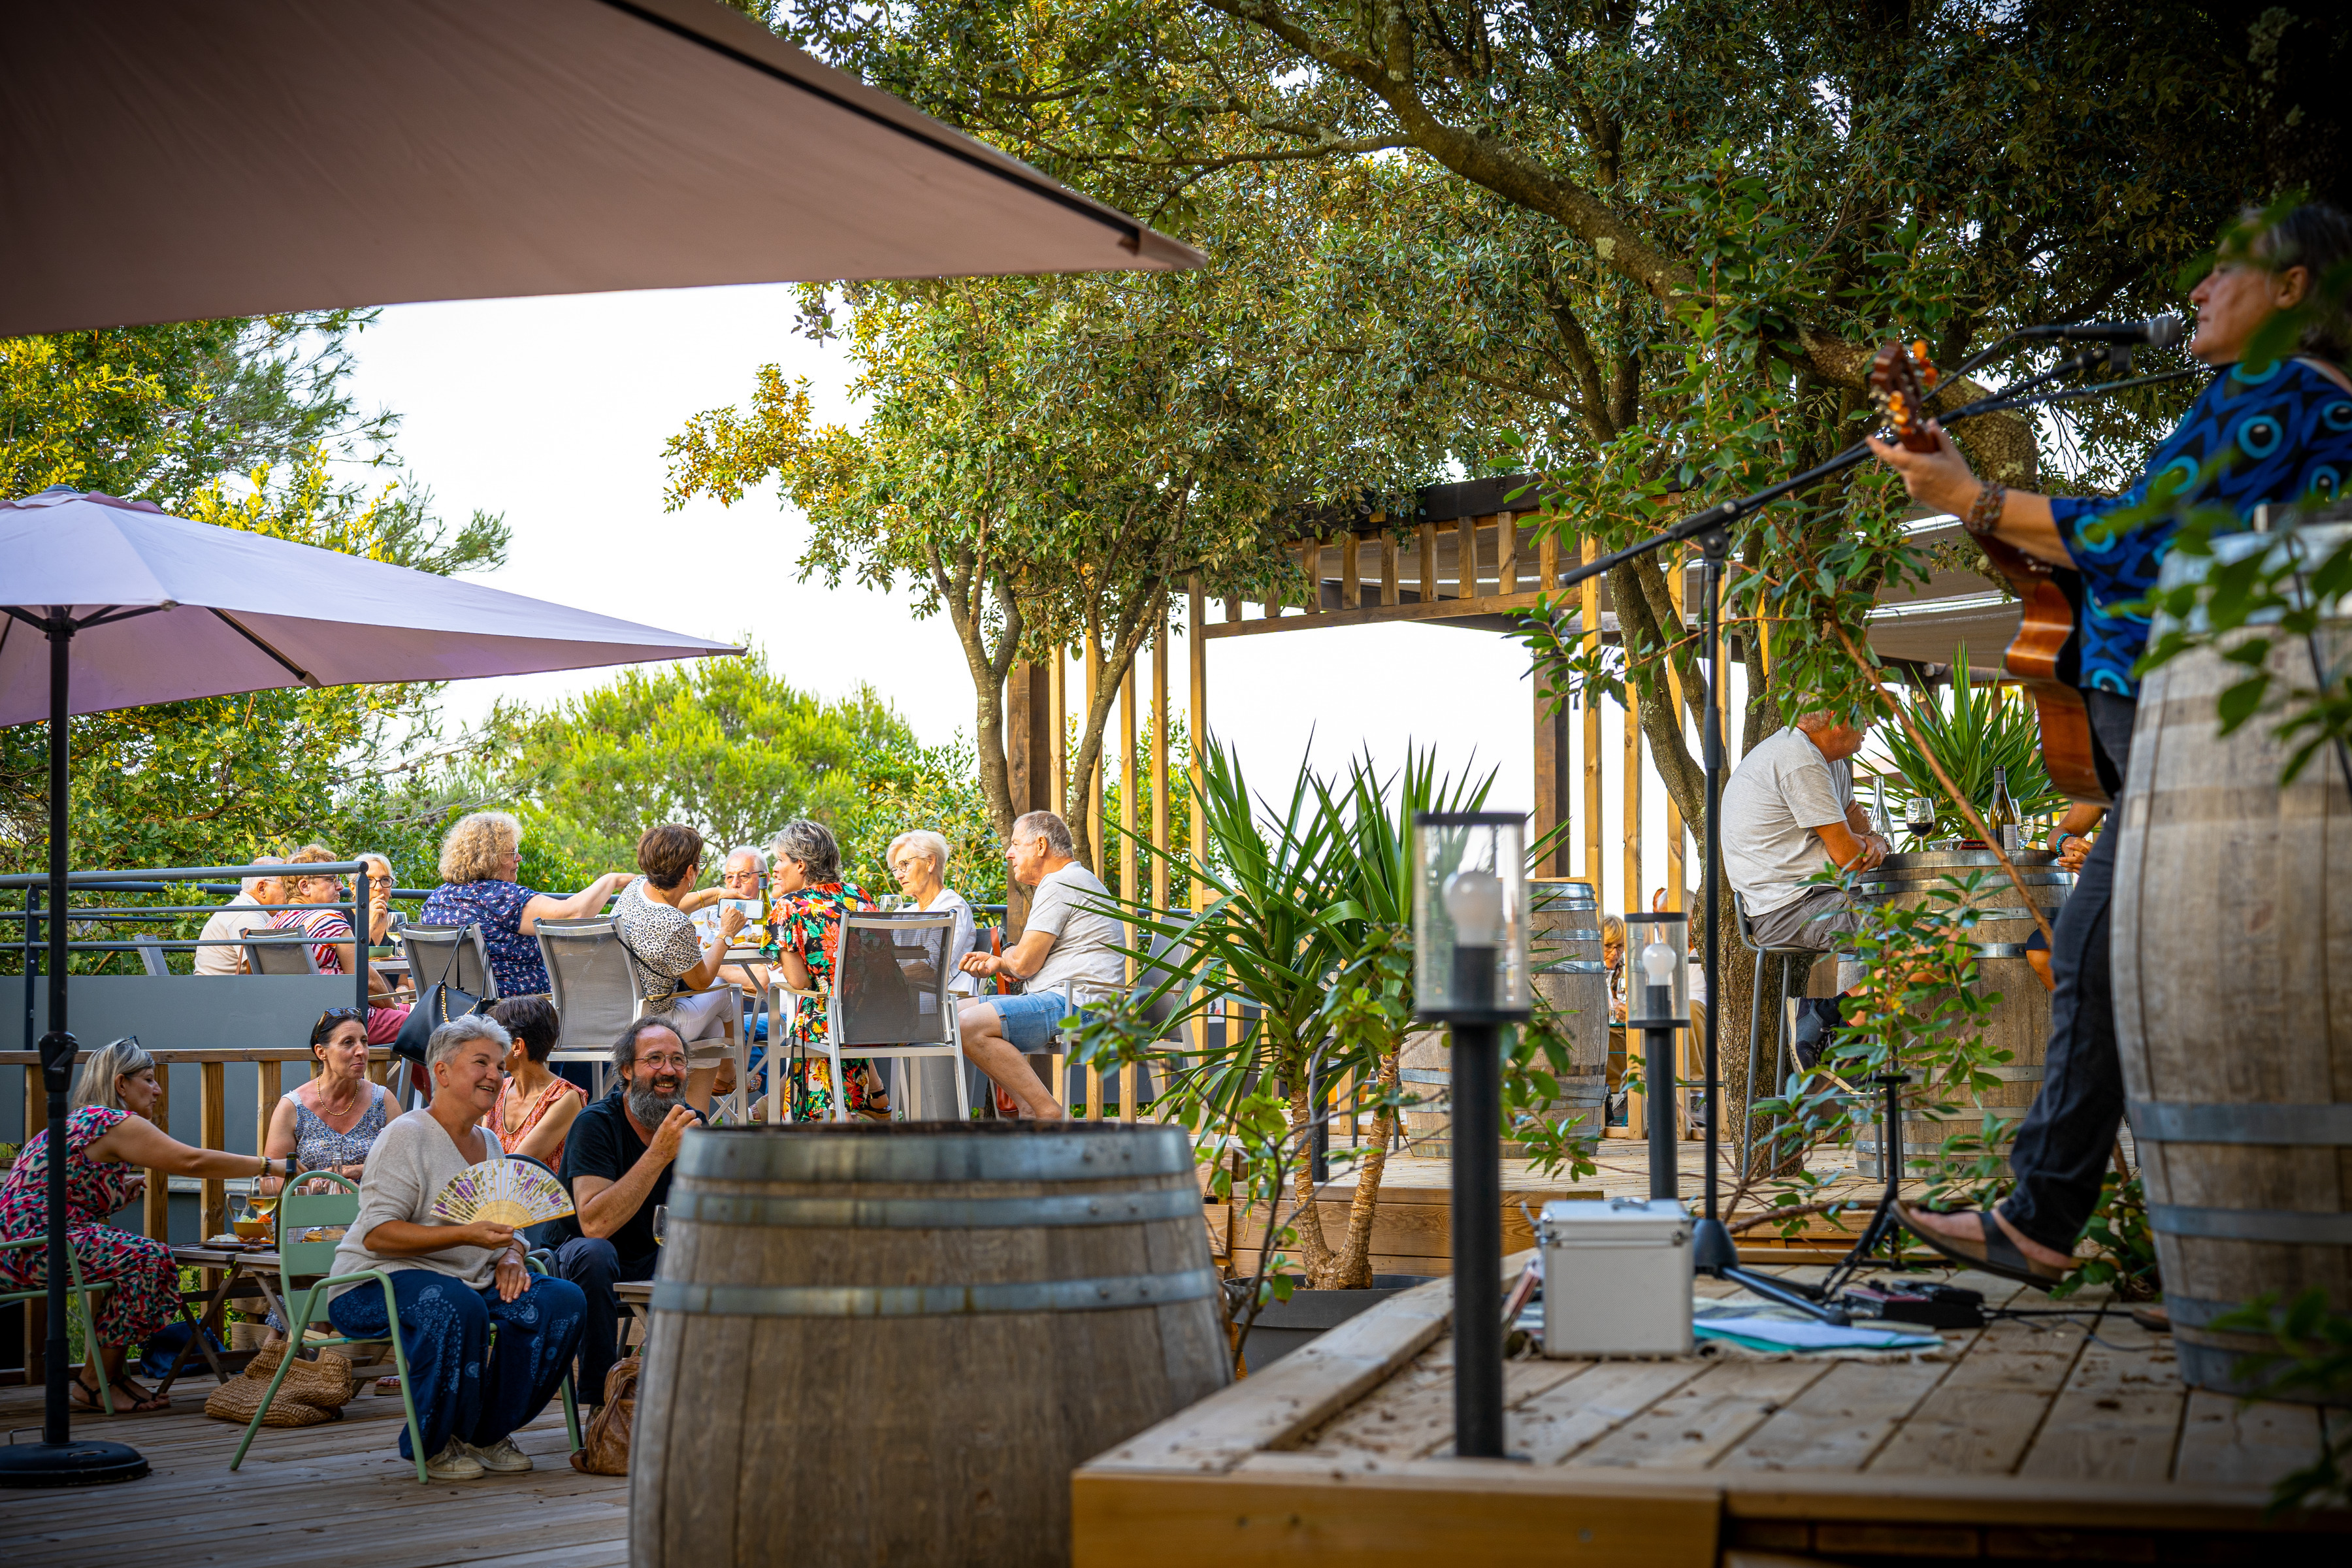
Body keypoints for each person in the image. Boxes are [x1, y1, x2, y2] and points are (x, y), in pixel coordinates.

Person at [1870, 201, 2352, 1288]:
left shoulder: (2282, 392)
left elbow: (2145, 537)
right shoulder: (2254, 396)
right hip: (2207, 730)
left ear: (2294, 291)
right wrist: (1971, 493)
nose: (2196, 291)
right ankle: (2060, 1220)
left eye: (2226, 270)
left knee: (2096, 960)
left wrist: (1976, 495)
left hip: (2215, 737)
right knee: (2097, 958)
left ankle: (2058, 1223)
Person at [324, 1015, 587, 1481]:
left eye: (500, 1066)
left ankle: (484, 1432)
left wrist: (510, 1255)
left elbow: (510, 1225)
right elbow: (378, 1234)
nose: (495, 1074)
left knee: (559, 1301)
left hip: (470, 1280)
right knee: (457, 1306)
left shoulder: (488, 1142)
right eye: (481, 1063)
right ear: (442, 1072)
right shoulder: (408, 1134)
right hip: (375, 1282)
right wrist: (466, 1235)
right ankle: (433, 1442)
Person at [0, 1036, 308, 1414]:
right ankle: (94, 1381)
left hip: (22, 1243)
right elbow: (191, 1162)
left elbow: (66, 1195)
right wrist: (270, 1165)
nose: (158, 1089)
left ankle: (111, 1377)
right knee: (148, 1259)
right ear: (121, 1084)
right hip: (34, 1247)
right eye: (148, 1079)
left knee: (145, 1257)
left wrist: (115, 1193)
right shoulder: (113, 1121)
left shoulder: (81, 1122)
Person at [551, 1017, 701, 1413]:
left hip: (656, 1255)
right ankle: (605, 1404)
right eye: (654, 1059)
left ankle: (686, 1391)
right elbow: (594, 1225)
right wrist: (660, 1154)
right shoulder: (595, 1124)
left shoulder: (691, 1125)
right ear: (627, 1070)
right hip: (580, 1259)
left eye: (678, 1060)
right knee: (595, 1254)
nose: (669, 1070)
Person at [955, 810, 1127, 1120]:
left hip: (1082, 1006)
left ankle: (1048, 1112)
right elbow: (1023, 960)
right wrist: (1001, 961)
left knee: (967, 1025)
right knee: (956, 1015)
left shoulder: (1061, 883)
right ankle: (1030, 1110)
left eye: (1016, 844)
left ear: (1041, 845)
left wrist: (1001, 962)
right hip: (1074, 1000)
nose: (1009, 854)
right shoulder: (1075, 880)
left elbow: (1024, 963)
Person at [419, 811, 634, 1001]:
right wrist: (612, 880)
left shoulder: (437, 899)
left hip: (453, 1013)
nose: (518, 858)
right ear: (490, 859)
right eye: (511, 853)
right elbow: (573, 914)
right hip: (514, 1016)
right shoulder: (501, 897)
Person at [612, 823, 746, 1113]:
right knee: (725, 992)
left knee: (712, 1028)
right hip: (653, 1022)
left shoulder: (636, 889)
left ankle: (695, 1116)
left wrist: (714, 895)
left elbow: (665, 910)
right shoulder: (675, 926)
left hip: (615, 1013)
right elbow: (702, 981)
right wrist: (727, 933)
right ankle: (731, 1074)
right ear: (689, 872)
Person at [762, 819, 885, 1120]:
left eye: (780, 860)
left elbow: (798, 981)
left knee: (811, 1012)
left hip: (832, 1022)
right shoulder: (858, 894)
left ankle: (809, 1120)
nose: (774, 869)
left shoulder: (790, 906)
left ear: (801, 864)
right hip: (881, 1018)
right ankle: (867, 1103)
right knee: (827, 1011)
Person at [271, 845, 412, 1043]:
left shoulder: (275, 922)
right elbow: (369, 981)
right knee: (426, 1026)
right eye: (331, 880)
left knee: (417, 1013)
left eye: (338, 880)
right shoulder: (328, 919)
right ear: (305, 887)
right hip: (347, 1019)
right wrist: (393, 1009)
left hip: (299, 1019)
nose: (340, 887)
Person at [260, 1008, 397, 1194]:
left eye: (364, 1041)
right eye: (348, 1043)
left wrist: (358, 1170)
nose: (361, 1051)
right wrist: (318, 1185)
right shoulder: (293, 1107)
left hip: (369, 1214)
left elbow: (409, 1166)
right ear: (321, 1052)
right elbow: (270, 1183)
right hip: (309, 1216)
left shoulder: (382, 1100)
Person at [485, 996, 586, 1177]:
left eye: (495, 1041)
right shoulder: (498, 1088)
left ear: (517, 1046)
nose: (488, 1048)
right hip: (491, 1193)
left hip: (536, 1201)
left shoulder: (565, 1098)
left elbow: (514, 1168)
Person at [888, 830, 979, 996]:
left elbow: (931, 967)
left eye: (904, 865)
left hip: (940, 1007)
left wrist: (878, 981)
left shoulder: (952, 908)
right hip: (906, 1003)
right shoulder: (906, 912)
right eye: (895, 869)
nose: (898, 876)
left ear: (930, 863)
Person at [193, 856, 287, 975]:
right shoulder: (247, 915)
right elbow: (269, 969)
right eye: (286, 885)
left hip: (219, 990)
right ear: (262, 888)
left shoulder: (246, 909)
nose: (292, 891)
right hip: (222, 992)